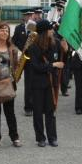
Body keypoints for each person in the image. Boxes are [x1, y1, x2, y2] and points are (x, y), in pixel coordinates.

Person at [27, 19, 64, 147]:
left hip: (51, 83)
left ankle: (52, 137)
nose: (52, 31)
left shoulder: (55, 43)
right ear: (44, 32)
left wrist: (66, 49)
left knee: (50, 111)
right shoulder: (33, 48)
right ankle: (40, 138)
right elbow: (36, 67)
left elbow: (62, 56)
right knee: (37, 112)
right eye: (50, 29)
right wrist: (53, 65)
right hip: (37, 84)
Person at [12, 9, 35, 117]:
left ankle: (29, 107)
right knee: (15, 78)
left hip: (32, 59)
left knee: (30, 83)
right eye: (27, 15)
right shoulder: (18, 28)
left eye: (30, 15)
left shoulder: (34, 27)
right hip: (21, 58)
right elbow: (13, 42)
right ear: (24, 17)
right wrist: (18, 51)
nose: (29, 17)